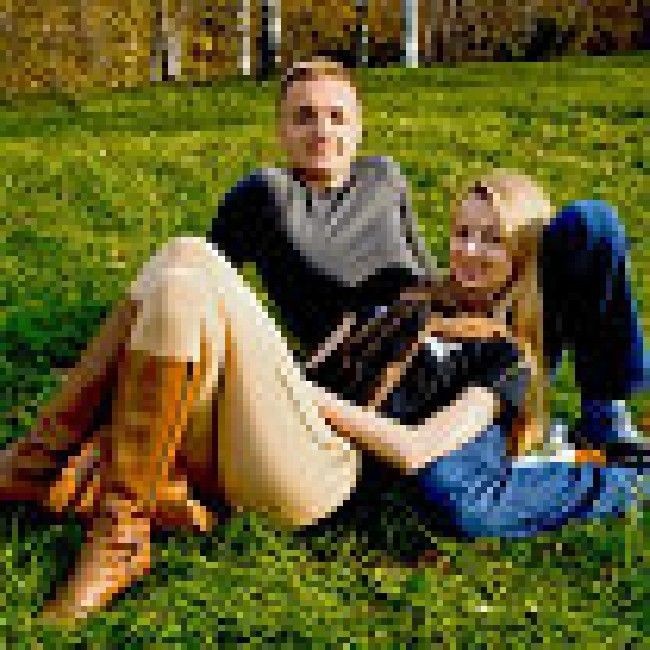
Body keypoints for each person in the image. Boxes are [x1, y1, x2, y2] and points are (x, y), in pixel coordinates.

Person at [0, 59, 496, 625]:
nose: (322, 131)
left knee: (184, 257)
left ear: (360, 126)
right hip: (300, 412)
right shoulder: (265, 193)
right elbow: (190, 298)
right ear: (281, 130)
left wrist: (468, 318)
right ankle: (115, 532)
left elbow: (427, 276)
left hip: (337, 463)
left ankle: (40, 464)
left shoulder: (386, 179)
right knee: (184, 269)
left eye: (337, 116)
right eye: (304, 117)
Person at [309, 170, 648, 540]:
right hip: (436, 385)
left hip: (504, 359)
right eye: (462, 233)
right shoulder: (408, 301)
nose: (469, 251)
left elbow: (416, 448)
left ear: (522, 251)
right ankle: (552, 453)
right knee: (439, 484)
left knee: (456, 498)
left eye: (493, 239)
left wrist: (304, 394)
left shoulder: (514, 347)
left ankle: (621, 461)